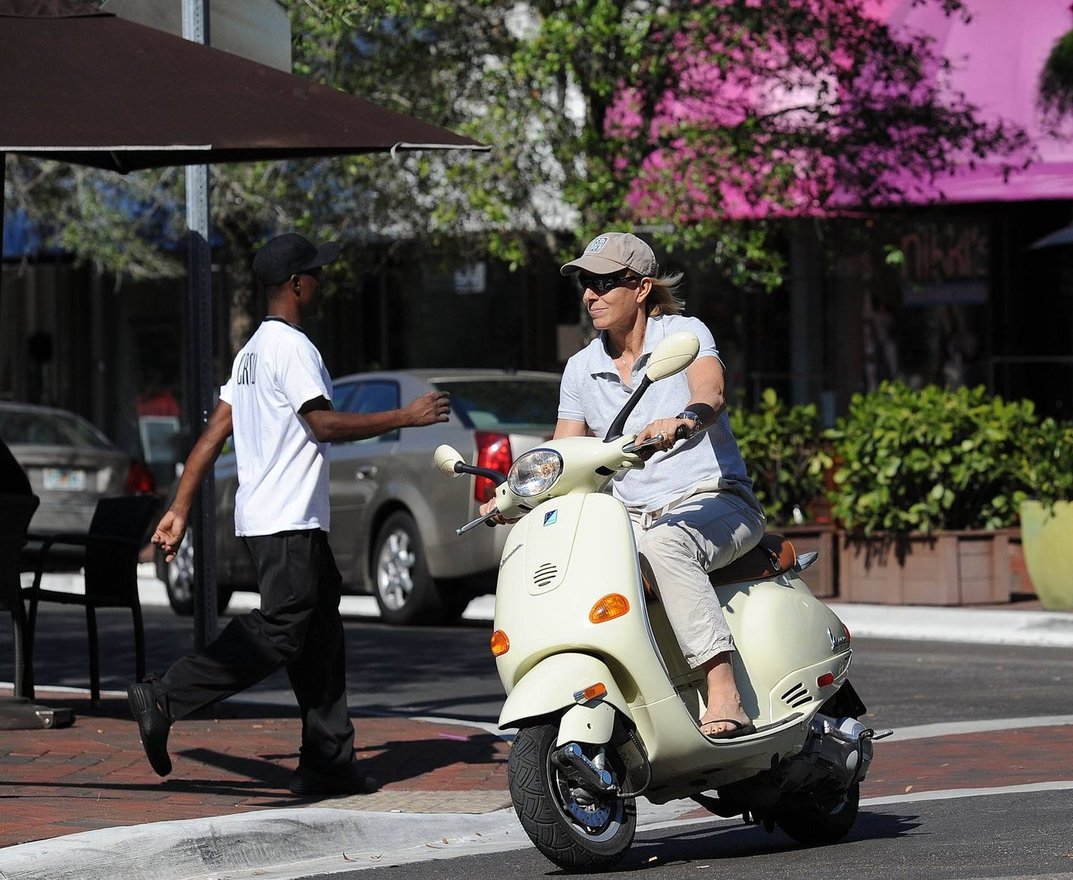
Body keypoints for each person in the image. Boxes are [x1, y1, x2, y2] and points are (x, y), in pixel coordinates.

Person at [127, 232, 451, 795]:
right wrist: (408, 415)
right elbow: (321, 424)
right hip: (286, 523)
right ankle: (165, 695)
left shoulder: (252, 352)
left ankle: (328, 763)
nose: (322, 282)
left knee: (320, 635)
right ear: (297, 284)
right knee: (282, 630)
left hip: (276, 520)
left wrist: (179, 509)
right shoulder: (293, 349)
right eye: (317, 274)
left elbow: (211, 436)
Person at [494, 231, 766, 738]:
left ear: (641, 289)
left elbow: (711, 390)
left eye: (602, 282)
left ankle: (723, 688)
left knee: (666, 545)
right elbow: (563, 451)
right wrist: (514, 494)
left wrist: (685, 418)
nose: (589, 295)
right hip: (631, 519)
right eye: (584, 283)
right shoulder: (581, 368)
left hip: (713, 500)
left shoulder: (683, 335)